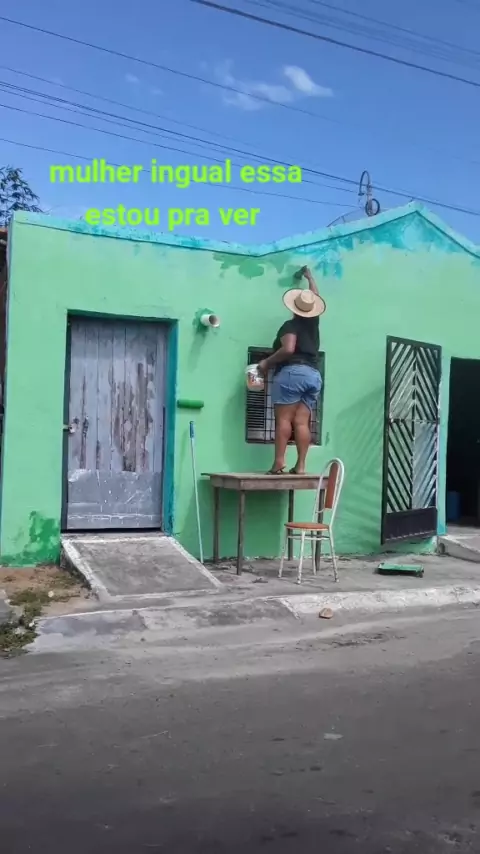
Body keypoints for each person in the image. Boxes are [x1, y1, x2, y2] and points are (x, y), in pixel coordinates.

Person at [257, 266, 325, 475]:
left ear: (294, 308)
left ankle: (279, 463)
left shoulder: (290, 325)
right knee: (302, 422)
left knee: (284, 420)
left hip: (292, 373)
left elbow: (288, 349)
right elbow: (315, 296)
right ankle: (301, 466)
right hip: (313, 375)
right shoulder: (313, 324)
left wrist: (266, 363)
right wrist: (310, 278)